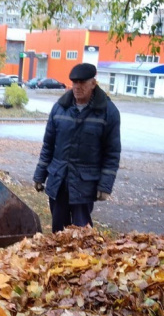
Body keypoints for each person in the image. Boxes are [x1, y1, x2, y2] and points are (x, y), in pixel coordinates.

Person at [32, 63, 121, 233]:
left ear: (93, 83)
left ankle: (81, 260)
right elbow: (48, 145)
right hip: (59, 181)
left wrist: (105, 186)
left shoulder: (108, 112)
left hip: (85, 185)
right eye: (74, 83)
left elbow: (112, 153)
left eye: (82, 83)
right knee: (59, 233)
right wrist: (39, 175)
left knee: (82, 234)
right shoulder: (60, 108)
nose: (77, 87)